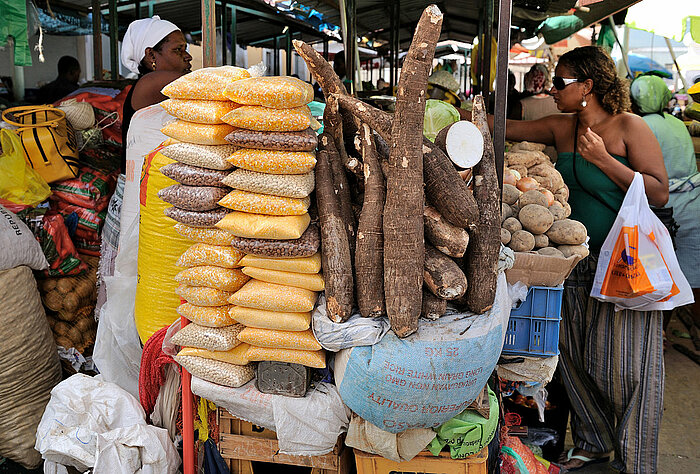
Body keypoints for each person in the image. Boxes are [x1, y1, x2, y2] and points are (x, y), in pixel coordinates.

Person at [466, 45, 668, 473]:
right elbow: (502, 126)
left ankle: (638, 462)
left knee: (630, 368)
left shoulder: (629, 128)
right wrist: (468, 114)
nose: (552, 90)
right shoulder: (562, 128)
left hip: (623, 263)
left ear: (588, 87)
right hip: (572, 261)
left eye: (561, 83)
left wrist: (604, 161)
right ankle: (595, 441)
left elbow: (657, 191)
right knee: (573, 358)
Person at [630, 74, 700, 349]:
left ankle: (655, 335)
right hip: (694, 204)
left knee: (658, 275)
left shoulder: (639, 126)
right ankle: (674, 330)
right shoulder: (678, 124)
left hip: (662, 210)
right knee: (690, 276)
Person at [120, 15, 192, 173]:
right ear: (151, 55)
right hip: (136, 188)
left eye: (185, 49)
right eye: (178, 50)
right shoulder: (149, 84)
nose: (188, 56)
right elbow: (203, 83)